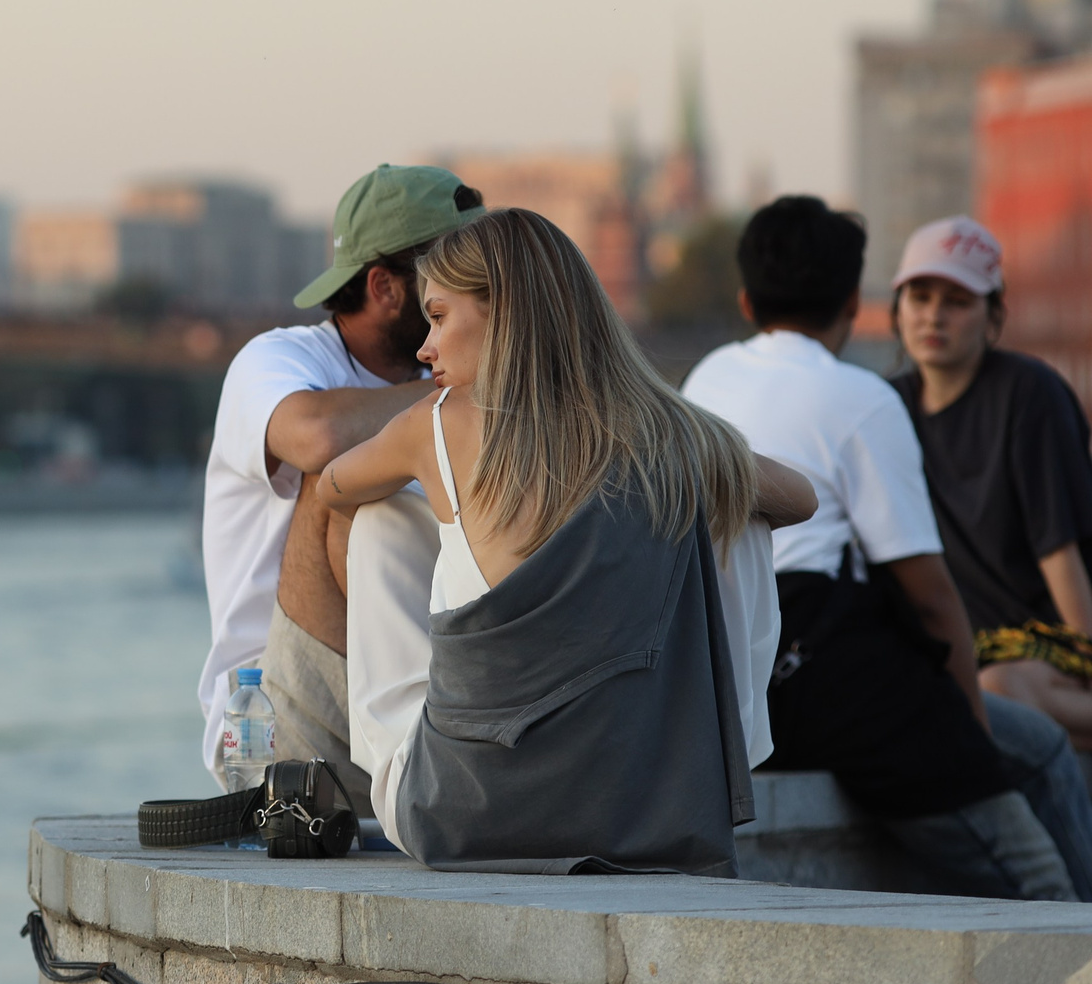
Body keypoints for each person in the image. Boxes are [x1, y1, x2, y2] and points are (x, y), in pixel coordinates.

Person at [321, 209, 813, 872]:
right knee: (732, 509)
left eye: (438, 316)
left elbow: (331, 486)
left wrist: (437, 490)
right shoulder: (672, 432)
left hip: (462, 815)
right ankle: (716, 753)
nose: (424, 347)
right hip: (646, 818)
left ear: (503, 312)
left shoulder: (435, 425)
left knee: (382, 516)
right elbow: (800, 499)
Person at [683, 196, 1082, 901]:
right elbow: (929, 595)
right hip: (830, 679)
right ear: (855, 304)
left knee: (1042, 743)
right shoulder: (863, 396)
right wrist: (968, 733)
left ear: (747, 299)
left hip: (724, 678)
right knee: (1038, 883)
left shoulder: (704, 379)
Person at [193, 165, 481, 811]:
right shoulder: (277, 359)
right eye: (457, 271)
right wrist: (468, 394)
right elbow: (315, 437)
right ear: (385, 286)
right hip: (273, 734)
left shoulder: (456, 381)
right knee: (348, 479)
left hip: (400, 703)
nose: (477, 289)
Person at [888, 217, 1092, 756]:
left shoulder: (1029, 394)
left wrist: (1088, 660)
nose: (934, 315)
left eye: (957, 301)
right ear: (897, 308)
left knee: (998, 691)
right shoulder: (884, 408)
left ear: (992, 314)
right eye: (921, 296)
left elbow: (1062, 551)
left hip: (1046, 648)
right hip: (955, 651)